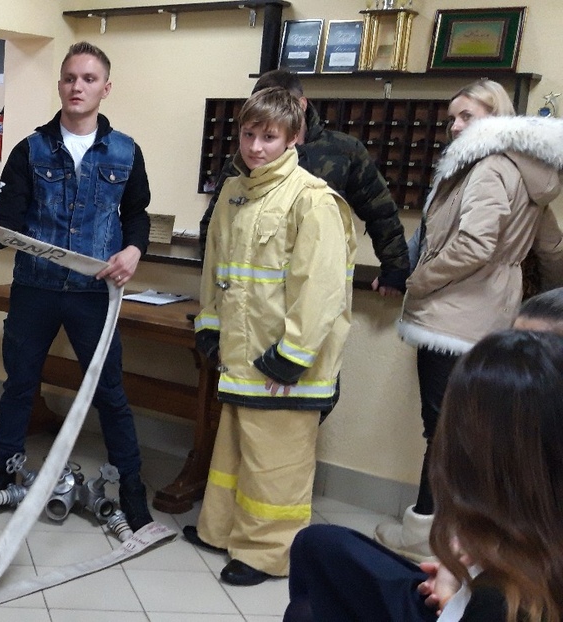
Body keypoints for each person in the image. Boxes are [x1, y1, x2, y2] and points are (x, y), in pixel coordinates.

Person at [0, 41, 155, 531]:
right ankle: (2, 475)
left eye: (89, 79)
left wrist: (134, 250)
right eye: (70, 78)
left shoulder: (126, 151)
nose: (77, 87)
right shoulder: (30, 150)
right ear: (60, 85)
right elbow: (7, 221)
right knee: (19, 385)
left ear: (105, 88)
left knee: (109, 392)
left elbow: (137, 215)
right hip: (36, 288)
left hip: (95, 294)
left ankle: (132, 487)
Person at [377, 80, 563, 559]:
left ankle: (425, 537)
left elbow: (475, 244)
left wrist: (419, 281)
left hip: (450, 316)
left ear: (496, 118)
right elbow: (552, 250)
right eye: (452, 119)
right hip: (492, 316)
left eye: (468, 117)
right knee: (470, 430)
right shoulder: (530, 174)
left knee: (442, 432)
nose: (456, 128)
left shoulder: (487, 166)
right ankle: (464, 537)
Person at [185, 86, 356, 586]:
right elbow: (216, 270)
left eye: (269, 137)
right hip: (241, 356)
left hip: (287, 363)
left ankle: (266, 553)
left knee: (277, 465)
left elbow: (321, 288)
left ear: (293, 137)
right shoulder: (234, 193)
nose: (256, 147)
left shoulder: (312, 199)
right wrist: (209, 326)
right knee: (235, 451)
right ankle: (221, 531)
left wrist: (294, 354)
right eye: (249, 135)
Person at [285, 330, 563, 622]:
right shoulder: (535, 545)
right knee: (318, 545)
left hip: (466, 604)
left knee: (308, 606)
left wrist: (456, 592)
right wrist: (459, 576)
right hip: (466, 593)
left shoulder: (501, 602)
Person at [199, 69, 410, 297]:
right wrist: (216, 287)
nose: (257, 145)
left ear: (301, 105)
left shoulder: (343, 151)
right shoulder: (245, 159)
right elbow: (215, 224)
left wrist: (395, 268)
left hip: (317, 279)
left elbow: (380, 212)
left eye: (269, 136)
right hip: (258, 290)